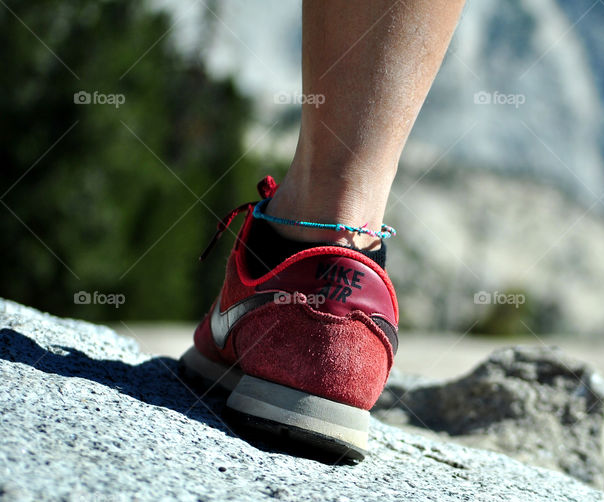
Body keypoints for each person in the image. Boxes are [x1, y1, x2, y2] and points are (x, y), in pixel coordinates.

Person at [179, 1, 466, 461]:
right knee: (358, 201)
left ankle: (280, 261)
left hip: (278, 305)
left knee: (317, 196)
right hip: (365, 336)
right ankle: (355, 288)